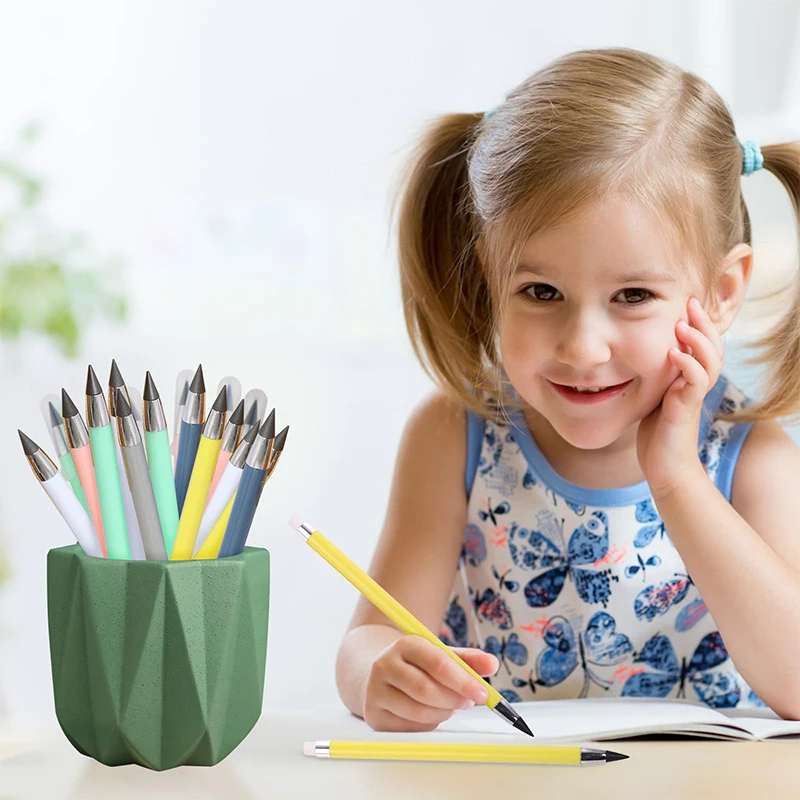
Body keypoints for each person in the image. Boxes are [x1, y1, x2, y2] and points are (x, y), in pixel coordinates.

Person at [336, 48, 800, 732]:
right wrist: (381, 671)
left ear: (722, 292)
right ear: (488, 276)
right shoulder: (456, 436)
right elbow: (365, 641)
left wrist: (675, 477)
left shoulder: (751, 458)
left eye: (633, 295)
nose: (583, 347)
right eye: (541, 291)